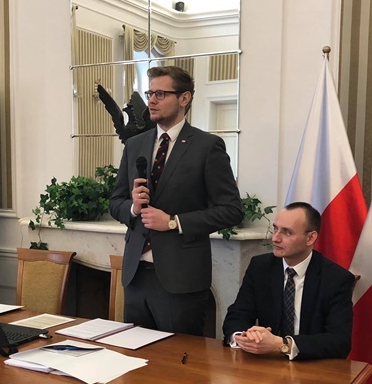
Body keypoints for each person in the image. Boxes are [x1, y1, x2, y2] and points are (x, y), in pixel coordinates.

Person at [110, 65, 243, 335]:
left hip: (181, 279)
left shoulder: (207, 146)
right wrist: (133, 207)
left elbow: (231, 210)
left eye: (161, 94)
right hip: (136, 276)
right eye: (150, 93)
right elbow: (115, 202)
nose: (152, 101)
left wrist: (173, 222)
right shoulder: (135, 145)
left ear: (184, 98)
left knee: (180, 358)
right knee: (134, 355)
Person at [222, 202, 355, 360]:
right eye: (275, 229)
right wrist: (244, 337)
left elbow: (339, 341)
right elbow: (238, 314)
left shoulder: (336, 278)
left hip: (312, 364)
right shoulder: (260, 267)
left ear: (310, 238)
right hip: (266, 362)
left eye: (286, 232)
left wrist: (282, 345)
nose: (275, 238)